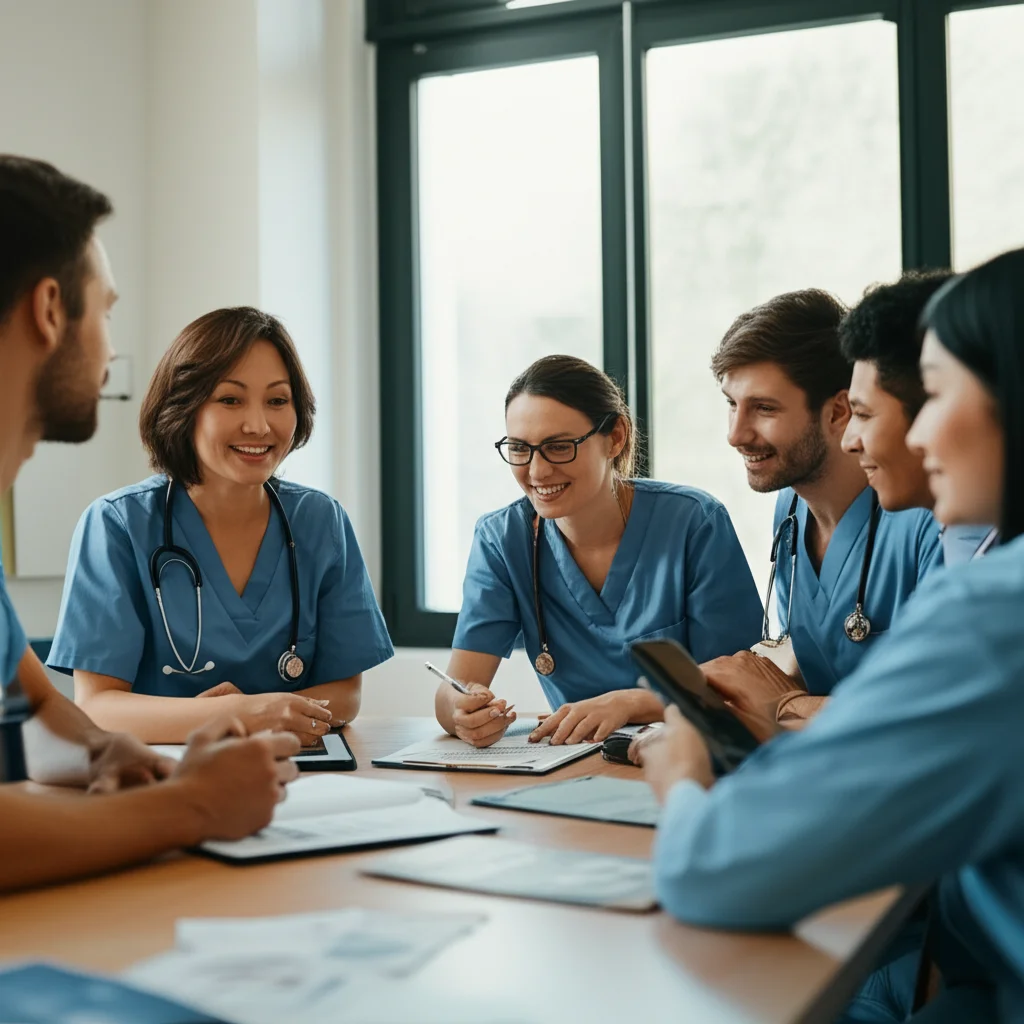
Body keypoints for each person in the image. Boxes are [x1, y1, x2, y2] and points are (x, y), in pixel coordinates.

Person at [636, 247, 1024, 1022]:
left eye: (936, 394)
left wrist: (683, 772)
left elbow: (713, 870)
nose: (913, 436)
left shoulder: (993, 607)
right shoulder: (802, 521)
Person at [0, 155, 299, 892]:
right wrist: (190, 804)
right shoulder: (122, 521)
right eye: (105, 311)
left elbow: (37, 707)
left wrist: (106, 753)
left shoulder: (313, 520)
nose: (108, 347)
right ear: (48, 309)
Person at [47, 307, 393, 744]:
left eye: (277, 400)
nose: (259, 425)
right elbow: (98, 707)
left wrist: (260, 715)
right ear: (185, 406)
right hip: (164, 775)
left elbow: (344, 694)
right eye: (230, 399)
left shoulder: (320, 521)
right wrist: (239, 713)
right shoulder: (118, 525)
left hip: (296, 769)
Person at [435, 354, 762, 748]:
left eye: (558, 447)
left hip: (691, 759)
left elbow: (743, 688)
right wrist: (461, 712)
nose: (537, 472)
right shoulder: (503, 540)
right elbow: (455, 687)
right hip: (572, 763)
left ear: (616, 437)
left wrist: (631, 703)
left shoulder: (694, 522)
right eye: (520, 449)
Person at [701, 289, 942, 717]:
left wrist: (788, 705)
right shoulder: (790, 510)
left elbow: (932, 711)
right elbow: (810, 660)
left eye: (764, 408)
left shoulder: (925, 518)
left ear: (837, 412)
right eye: (732, 404)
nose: (735, 434)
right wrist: (655, 698)